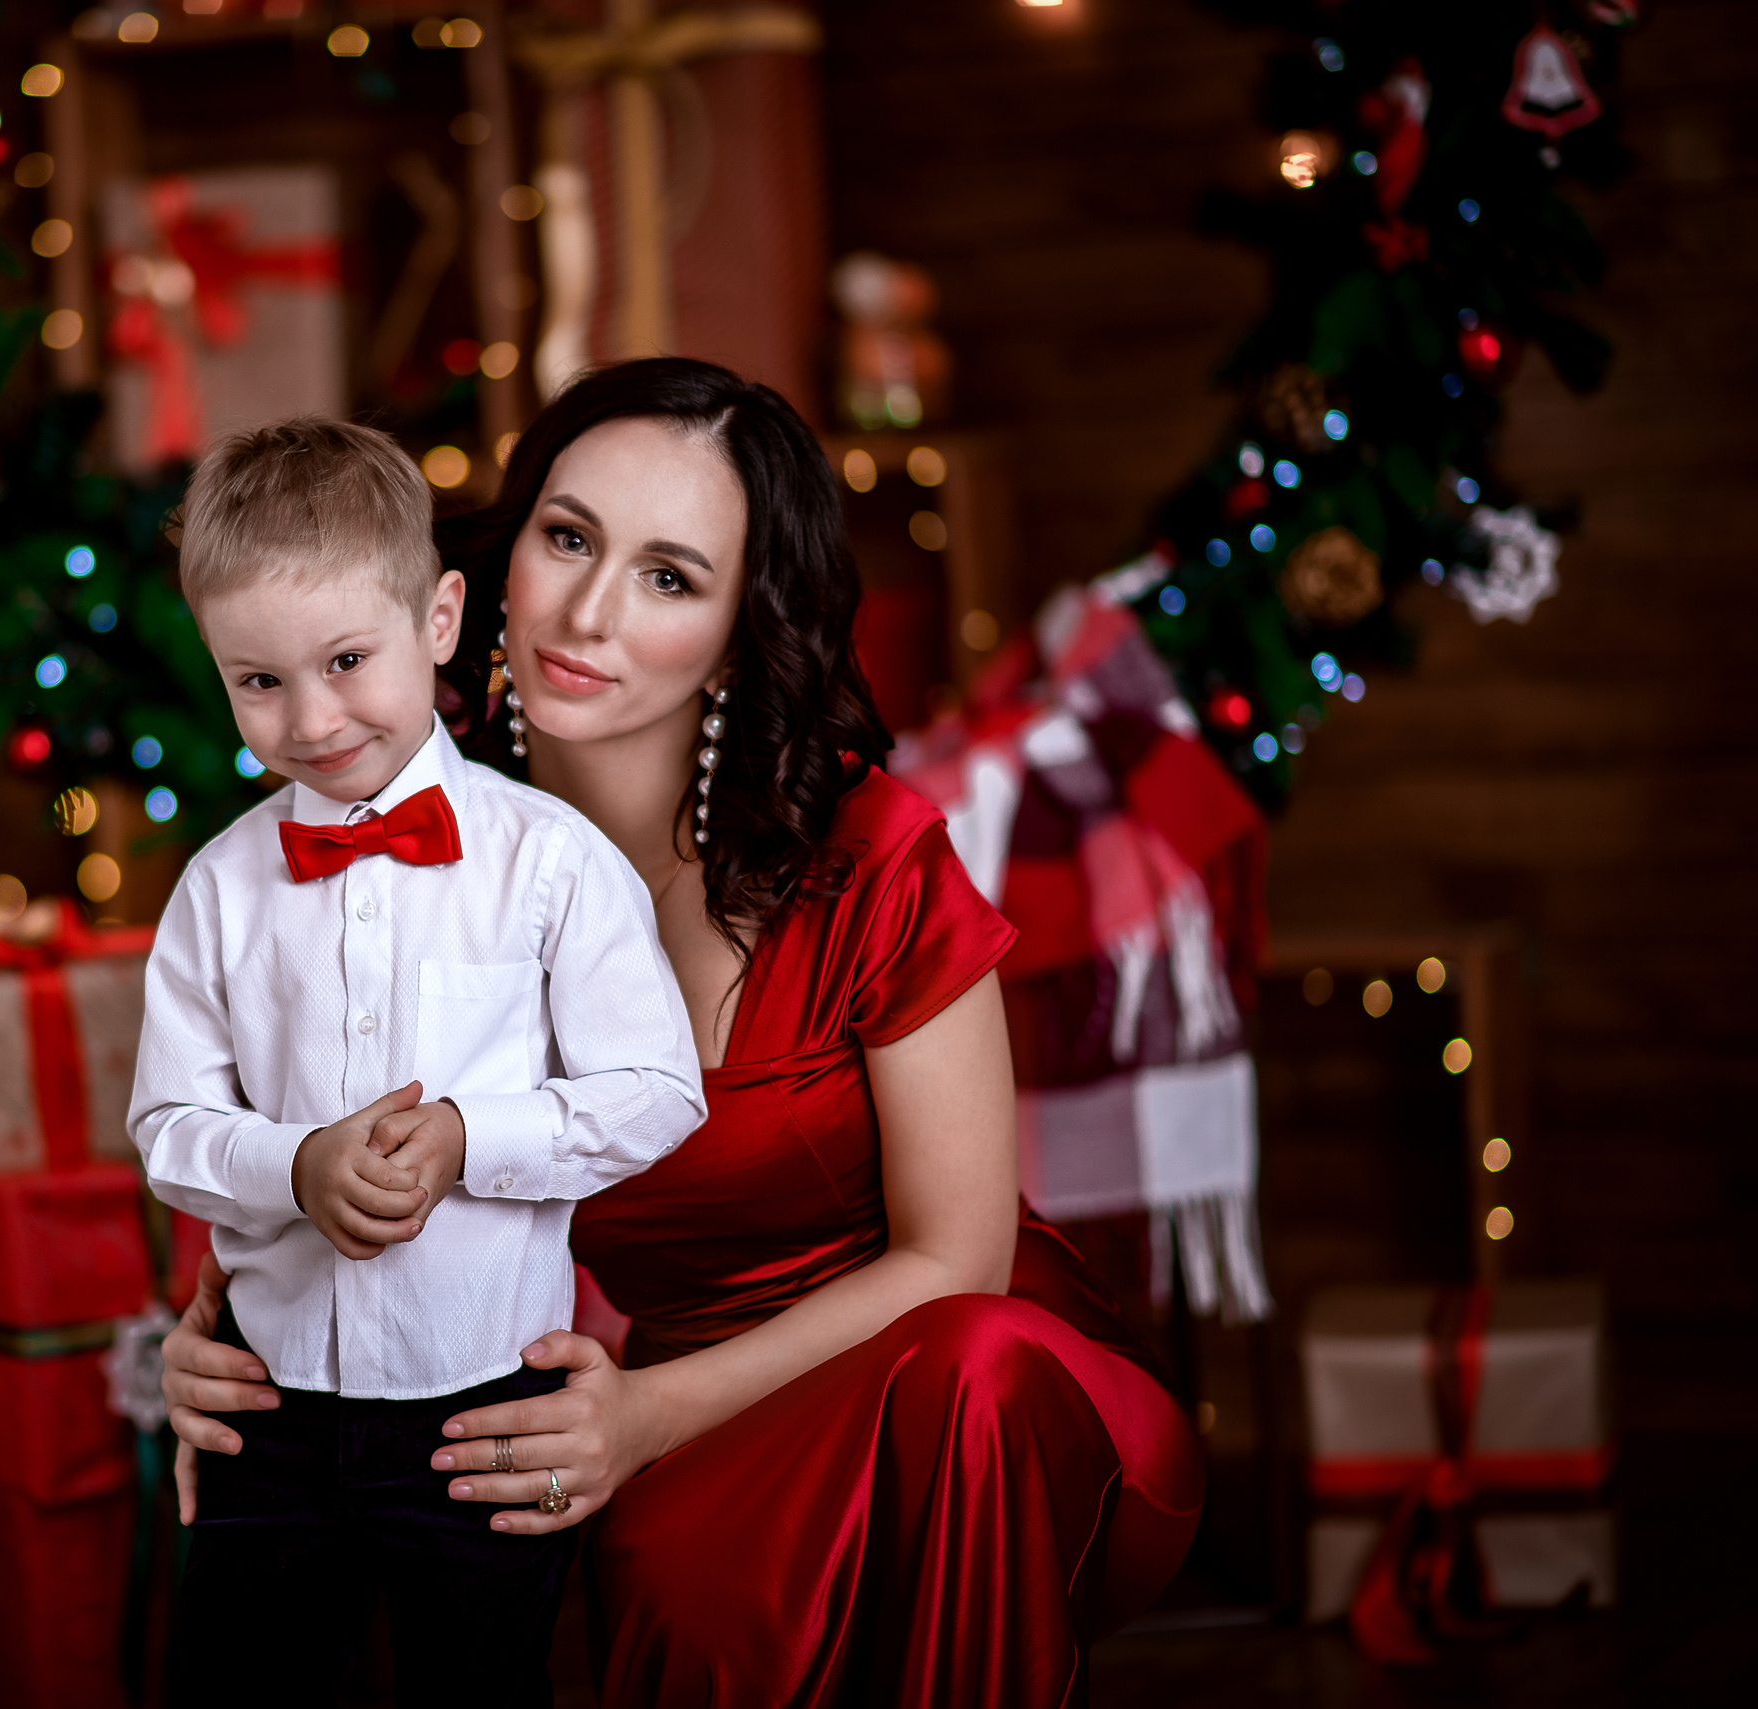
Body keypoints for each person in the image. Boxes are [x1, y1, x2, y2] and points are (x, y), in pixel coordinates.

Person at [160, 362, 1204, 1706]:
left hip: (943, 1371)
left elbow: (963, 1258)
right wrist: (220, 1341)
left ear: (736, 628)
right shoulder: (386, 837)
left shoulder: (868, 854)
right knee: (621, 1584)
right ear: (501, 554)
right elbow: (316, 1165)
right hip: (665, 1408)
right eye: (571, 536)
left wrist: (644, 1415)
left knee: (972, 1373)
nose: (590, 612)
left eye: (670, 577)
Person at [128, 416, 709, 1708]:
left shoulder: (548, 865)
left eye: (346, 659)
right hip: (264, 1420)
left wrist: (467, 1138)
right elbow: (168, 1122)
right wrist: (294, 1164)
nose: (313, 717)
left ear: (440, 618)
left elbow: (659, 1090)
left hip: (483, 1413)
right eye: (259, 681)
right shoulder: (218, 891)